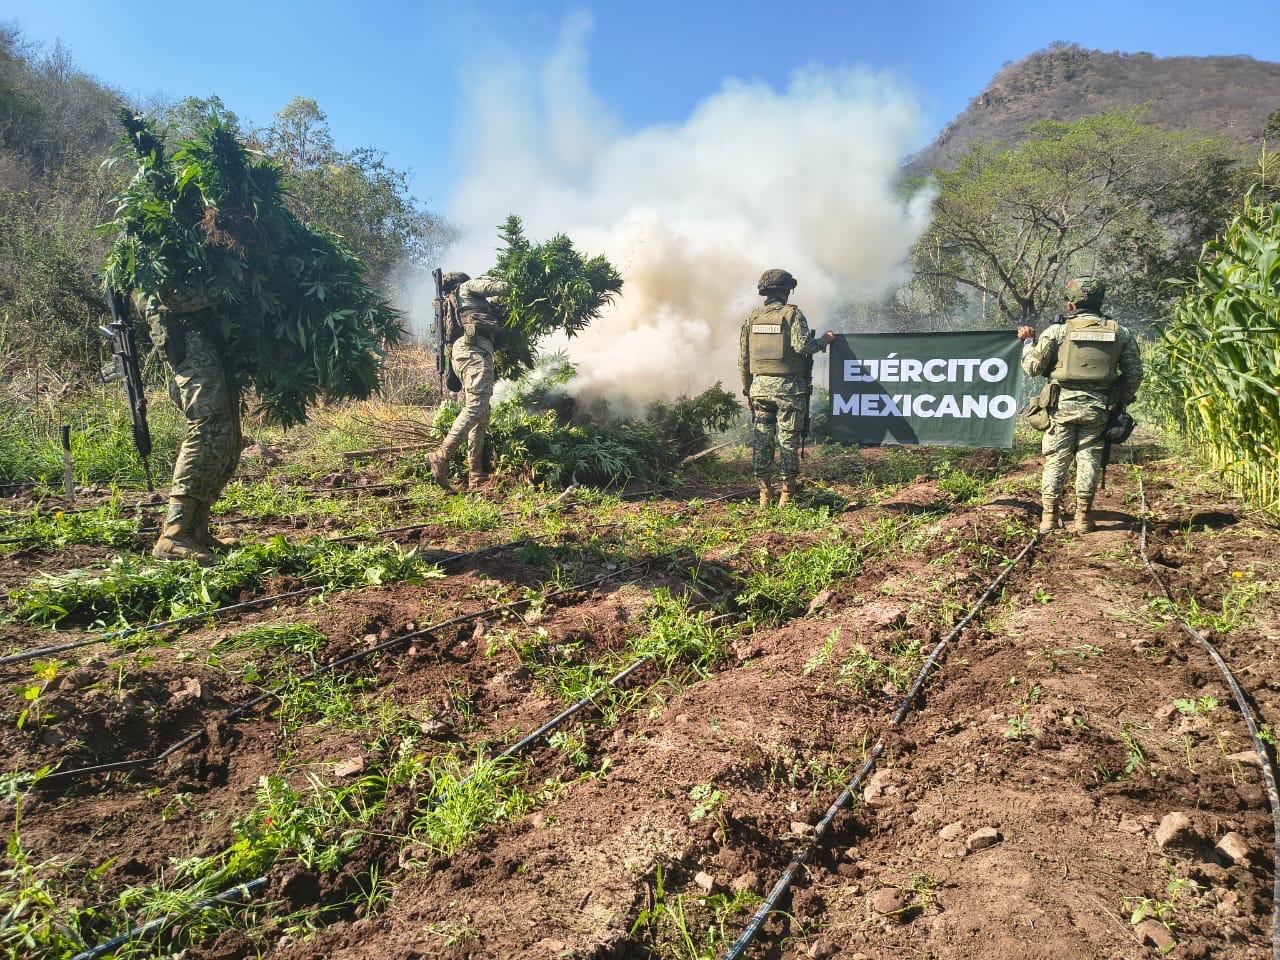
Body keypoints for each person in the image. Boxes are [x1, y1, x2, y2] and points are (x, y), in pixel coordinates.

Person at [1018, 276, 1143, 535]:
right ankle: (1083, 518)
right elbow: (1134, 374)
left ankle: (1049, 518)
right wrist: (1119, 401)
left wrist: (1028, 343)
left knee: (1056, 459)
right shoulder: (1120, 332)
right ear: (1100, 301)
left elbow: (1033, 367)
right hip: (1098, 408)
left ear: (1071, 304)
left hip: (1060, 407)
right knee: (1089, 459)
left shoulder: (1057, 332)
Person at [138, 285, 243, 565]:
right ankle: (174, 535)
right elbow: (171, 296)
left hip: (210, 343)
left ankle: (196, 531)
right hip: (191, 344)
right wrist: (234, 289)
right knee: (207, 431)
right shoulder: (162, 259)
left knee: (227, 437)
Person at [738, 268, 836, 507]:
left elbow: (743, 360)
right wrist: (824, 340)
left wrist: (748, 390)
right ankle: (787, 495)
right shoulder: (792, 314)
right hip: (789, 391)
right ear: (786, 291)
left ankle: (764, 495)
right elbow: (803, 346)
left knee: (762, 441)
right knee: (788, 442)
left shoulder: (752, 318)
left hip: (759, 389)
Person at [428, 271, 511, 491]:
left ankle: (476, 474)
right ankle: (441, 456)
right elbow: (501, 287)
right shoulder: (467, 288)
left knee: (481, 413)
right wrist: (519, 282)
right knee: (476, 407)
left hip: (468, 353)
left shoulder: (455, 302)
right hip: (473, 352)